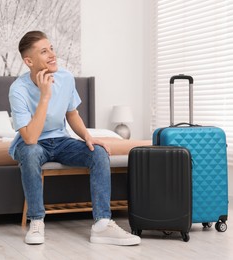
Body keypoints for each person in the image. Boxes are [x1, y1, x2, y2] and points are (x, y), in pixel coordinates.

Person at [8, 30, 141, 246]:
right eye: (44, 51)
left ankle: (102, 225)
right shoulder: (18, 90)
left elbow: (72, 114)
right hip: (33, 143)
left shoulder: (66, 78)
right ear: (29, 61)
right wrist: (45, 96)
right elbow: (30, 138)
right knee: (31, 153)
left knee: (97, 153)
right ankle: (36, 220)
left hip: (61, 141)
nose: (52, 54)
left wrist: (88, 137)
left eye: (51, 48)